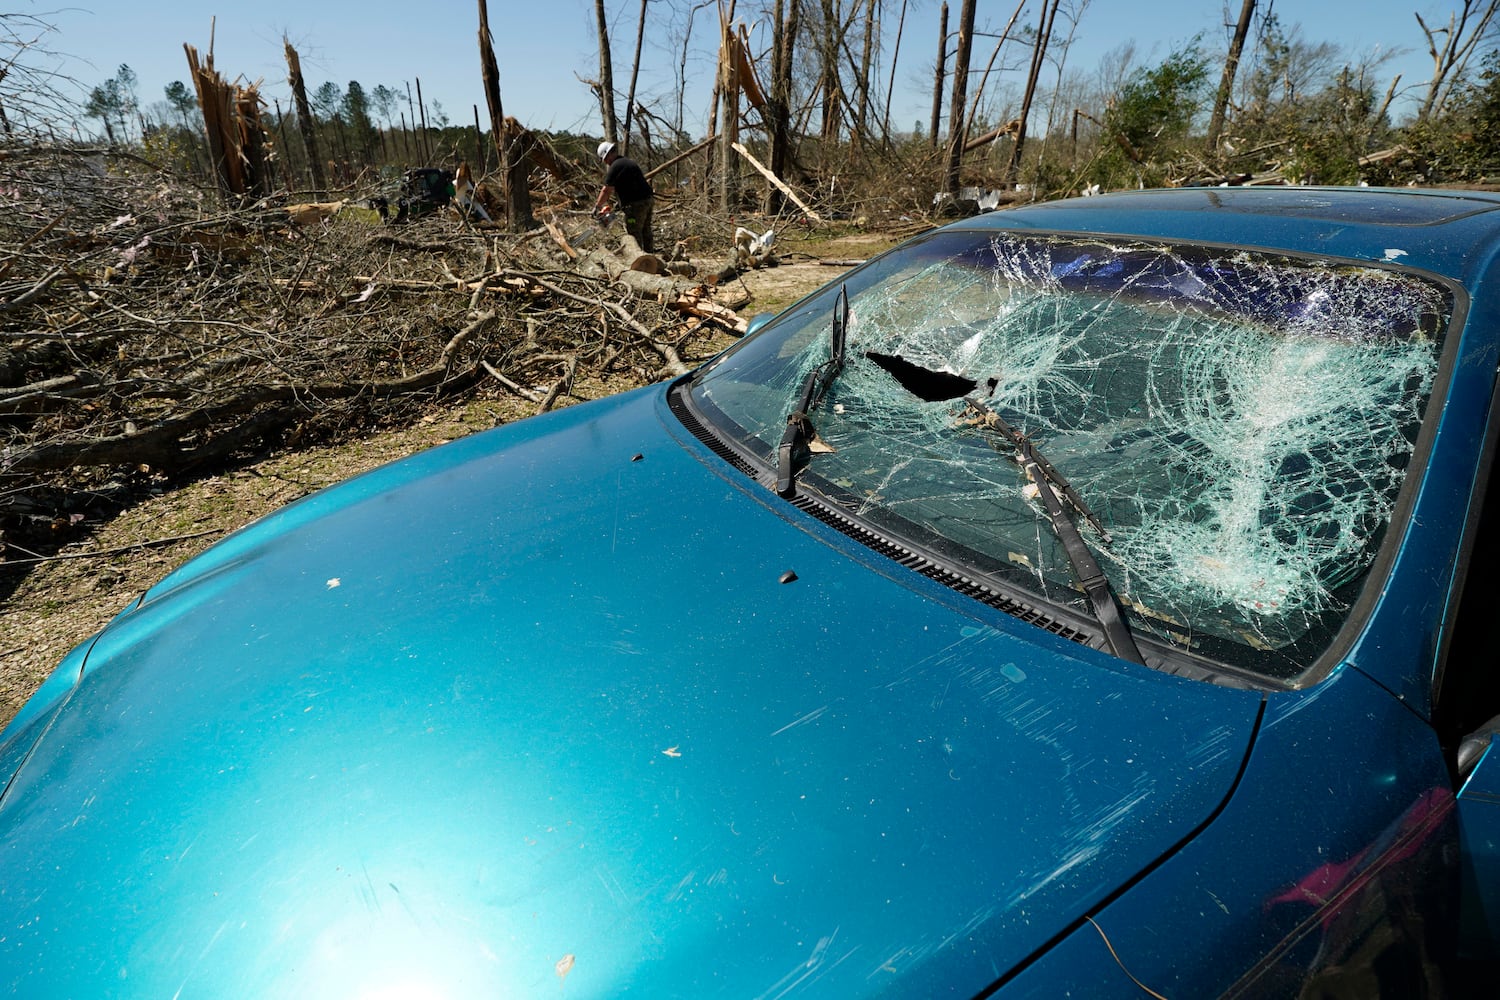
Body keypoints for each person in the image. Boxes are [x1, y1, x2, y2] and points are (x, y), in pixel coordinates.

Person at [593, 141, 654, 253]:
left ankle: (638, 257)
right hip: (647, 200)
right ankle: (650, 254)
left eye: (605, 159)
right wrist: (619, 205)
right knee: (646, 229)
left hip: (636, 205)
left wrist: (597, 206)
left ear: (609, 154)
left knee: (633, 230)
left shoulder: (616, 166)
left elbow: (606, 190)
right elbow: (628, 186)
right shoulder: (626, 162)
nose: (606, 162)